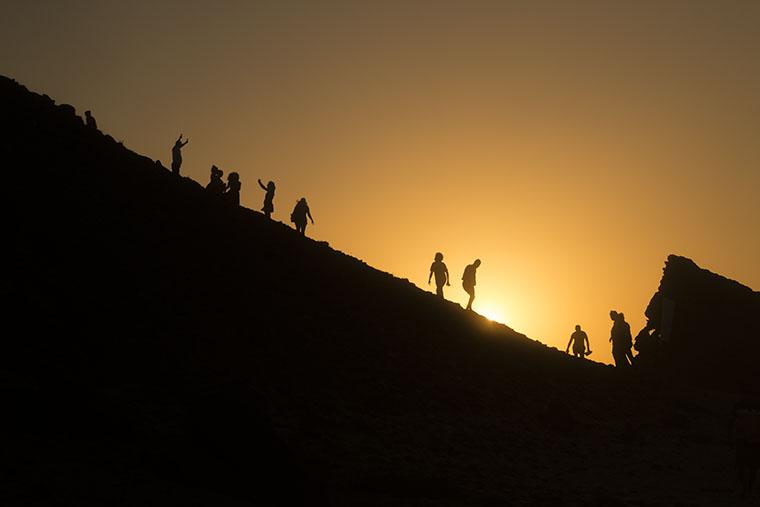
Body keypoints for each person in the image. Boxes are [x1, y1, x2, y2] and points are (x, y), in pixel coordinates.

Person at [733, 400, 760, 499]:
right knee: (753, 469)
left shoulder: (740, 415)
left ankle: (746, 489)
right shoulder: (742, 415)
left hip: (745, 444)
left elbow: (736, 430)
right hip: (754, 444)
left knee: (743, 467)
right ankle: (748, 489)